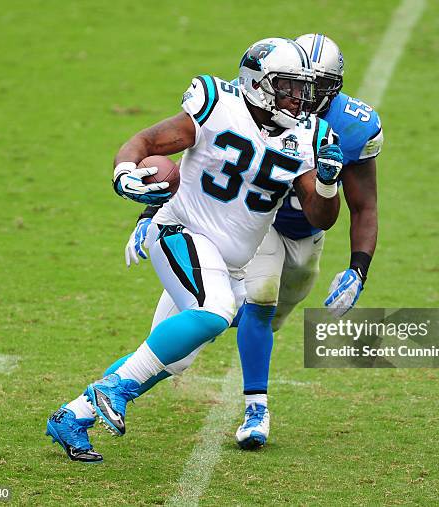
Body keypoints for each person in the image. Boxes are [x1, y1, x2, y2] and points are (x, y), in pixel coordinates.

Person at [45, 37, 344, 462]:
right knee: (214, 311)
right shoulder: (217, 104)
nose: (299, 98)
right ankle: (112, 391)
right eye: (288, 86)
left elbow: (321, 217)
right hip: (180, 232)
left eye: (302, 88)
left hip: (228, 264)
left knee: (171, 358)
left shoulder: (308, 134)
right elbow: (145, 141)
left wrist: (329, 183)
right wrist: (124, 172)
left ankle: (72, 415)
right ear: (259, 84)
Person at [124, 34, 383, 450]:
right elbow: (201, 156)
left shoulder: (350, 127)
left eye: (313, 87)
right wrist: (152, 211)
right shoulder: (258, 94)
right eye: (294, 84)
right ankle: (255, 406)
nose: (301, 97)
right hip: (255, 220)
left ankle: (211, 323)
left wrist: (358, 268)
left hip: (308, 232)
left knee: (270, 315)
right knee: (257, 301)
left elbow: (363, 205)